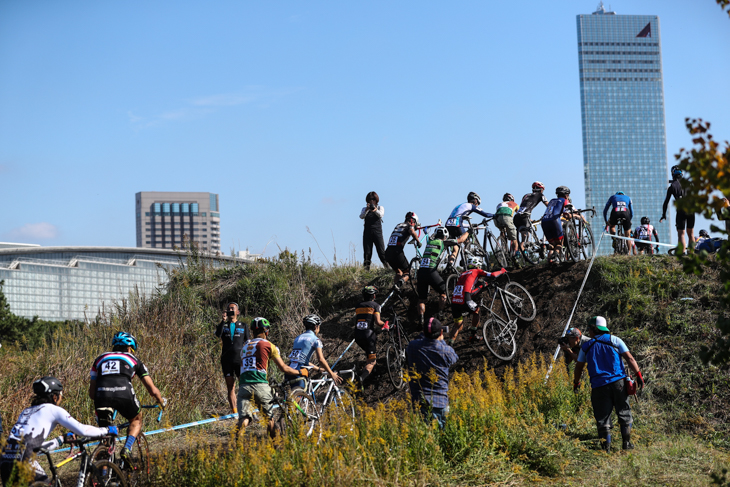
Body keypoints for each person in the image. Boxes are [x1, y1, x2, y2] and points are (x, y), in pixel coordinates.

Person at [1, 377, 119, 486]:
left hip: (6, 457)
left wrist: (60, 440)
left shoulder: (26, 411)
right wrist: (107, 430)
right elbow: (83, 430)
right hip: (25, 459)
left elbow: (32, 446)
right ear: (54, 396)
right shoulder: (53, 409)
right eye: (61, 395)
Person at [89, 331, 166, 462]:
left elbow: (91, 393)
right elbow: (152, 390)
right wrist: (161, 401)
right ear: (130, 348)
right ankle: (127, 449)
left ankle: (103, 472)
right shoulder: (133, 359)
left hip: (101, 397)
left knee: (106, 436)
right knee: (136, 419)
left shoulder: (100, 358)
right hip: (124, 394)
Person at [574, 316, 645, 452]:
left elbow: (578, 367)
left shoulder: (586, 346)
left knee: (602, 416)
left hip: (598, 386)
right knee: (624, 412)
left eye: (589, 328)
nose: (588, 331)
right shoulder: (615, 340)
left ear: (594, 329)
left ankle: (606, 448)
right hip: (618, 383)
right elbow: (629, 358)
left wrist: (576, 383)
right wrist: (639, 375)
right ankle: (626, 444)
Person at [236, 317, 308, 439]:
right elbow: (284, 368)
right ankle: (275, 446)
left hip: (243, 385)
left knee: (244, 418)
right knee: (269, 419)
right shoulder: (268, 345)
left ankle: (237, 445)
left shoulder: (244, 347)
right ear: (266, 331)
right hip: (260, 385)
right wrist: (300, 372)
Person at [406, 317, 458, 429]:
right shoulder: (446, 351)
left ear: (424, 332)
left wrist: (424, 336)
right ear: (441, 332)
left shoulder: (412, 347)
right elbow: (454, 358)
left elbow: (417, 341)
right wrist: (441, 340)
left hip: (419, 401)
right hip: (440, 401)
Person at [449, 257, 506, 344]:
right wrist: (502, 271)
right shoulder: (477, 271)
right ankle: (473, 336)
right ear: (478, 266)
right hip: (465, 300)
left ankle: (450, 344)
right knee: (477, 311)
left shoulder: (463, 273)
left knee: (458, 326)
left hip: (454, 302)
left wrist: (480, 286)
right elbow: (493, 275)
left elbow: (466, 289)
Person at [285, 314, 342, 390]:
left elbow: (301, 358)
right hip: (300, 369)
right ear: (316, 327)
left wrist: (318, 369)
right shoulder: (315, 340)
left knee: (292, 396)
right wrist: (331, 373)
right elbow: (321, 359)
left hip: (289, 368)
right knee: (298, 397)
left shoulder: (298, 338)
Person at [417, 227, 458, 325]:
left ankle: (421, 320)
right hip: (431, 271)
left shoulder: (430, 242)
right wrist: (468, 232)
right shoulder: (444, 242)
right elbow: (459, 241)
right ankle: (440, 313)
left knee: (421, 299)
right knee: (443, 292)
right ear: (445, 236)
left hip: (421, 271)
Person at [215, 302, 250, 414]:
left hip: (240, 360)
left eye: (232, 308)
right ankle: (234, 412)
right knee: (230, 386)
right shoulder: (223, 325)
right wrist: (223, 320)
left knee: (244, 385)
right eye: (228, 308)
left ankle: (246, 410)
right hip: (226, 360)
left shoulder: (243, 325)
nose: (230, 310)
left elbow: (248, 342)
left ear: (237, 312)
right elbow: (218, 335)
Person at [445, 192, 494, 268]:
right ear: (475, 201)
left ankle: (449, 265)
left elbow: (458, 220)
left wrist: (469, 225)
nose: (477, 205)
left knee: (455, 249)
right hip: (456, 225)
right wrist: (495, 215)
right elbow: (486, 214)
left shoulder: (460, 205)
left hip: (448, 225)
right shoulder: (471, 206)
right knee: (467, 241)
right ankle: (464, 258)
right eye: (477, 203)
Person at [353, 286, 388, 386]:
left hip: (357, 335)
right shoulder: (375, 305)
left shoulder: (358, 305)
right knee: (371, 361)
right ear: (373, 295)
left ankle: (374, 371)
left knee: (369, 353)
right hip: (368, 336)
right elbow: (377, 322)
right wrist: (385, 325)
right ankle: (361, 378)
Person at [661, 166, 695, 253]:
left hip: (681, 210)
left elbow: (666, 203)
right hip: (691, 209)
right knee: (691, 234)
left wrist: (663, 214)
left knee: (681, 234)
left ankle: (682, 253)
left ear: (673, 174)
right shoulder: (690, 183)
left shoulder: (672, 186)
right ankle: (692, 254)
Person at [384, 212, 421, 288]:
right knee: (407, 272)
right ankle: (399, 284)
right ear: (412, 221)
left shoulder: (399, 225)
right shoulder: (409, 225)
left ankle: (395, 289)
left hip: (387, 252)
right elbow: (412, 231)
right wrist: (418, 241)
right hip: (397, 252)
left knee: (399, 272)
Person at [514, 182, 549, 250]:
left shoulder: (526, 195)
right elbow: (548, 206)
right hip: (525, 217)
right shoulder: (541, 195)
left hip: (517, 217)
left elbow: (523, 208)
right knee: (524, 240)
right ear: (541, 189)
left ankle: (519, 254)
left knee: (524, 236)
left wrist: (530, 219)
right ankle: (520, 253)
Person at [541, 186, 572, 262]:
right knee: (559, 244)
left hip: (544, 221)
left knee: (553, 244)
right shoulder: (565, 201)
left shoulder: (552, 200)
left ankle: (545, 246)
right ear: (566, 195)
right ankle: (555, 255)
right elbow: (566, 215)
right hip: (554, 221)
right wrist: (572, 215)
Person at [360, 191, 387, 270]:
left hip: (377, 232)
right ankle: (366, 272)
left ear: (376, 200)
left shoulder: (380, 208)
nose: (371, 201)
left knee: (381, 253)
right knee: (367, 253)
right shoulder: (364, 209)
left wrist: (375, 210)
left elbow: (381, 215)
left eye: (373, 199)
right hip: (367, 232)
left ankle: (388, 269)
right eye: (369, 200)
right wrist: (367, 210)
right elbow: (361, 216)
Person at [494, 193, 520, 258]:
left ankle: (504, 248)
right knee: (514, 238)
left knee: (502, 230)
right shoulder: (515, 204)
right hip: (507, 217)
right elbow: (520, 213)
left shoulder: (499, 204)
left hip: (496, 219)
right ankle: (515, 254)